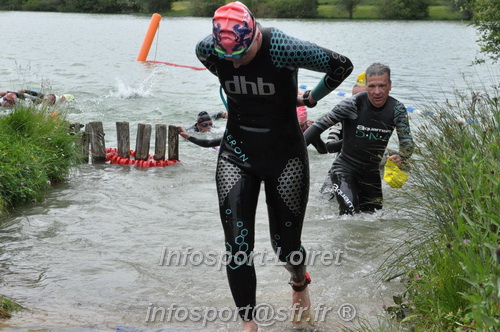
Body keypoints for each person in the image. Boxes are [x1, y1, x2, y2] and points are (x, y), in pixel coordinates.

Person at [195, 2, 353, 330]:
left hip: (285, 157)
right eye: (230, 58)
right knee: (237, 245)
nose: (235, 62)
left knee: (286, 248)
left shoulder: (282, 47)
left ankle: (299, 283)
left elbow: (341, 66)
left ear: (254, 36)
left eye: (242, 54)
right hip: (236, 154)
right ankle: (248, 325)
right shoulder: (209, 50)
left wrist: (312, 98)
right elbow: (221, 67)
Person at [304, 63, 414, 215]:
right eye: (372, 86)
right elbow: (318, 127)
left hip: (371, 174)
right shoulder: (352, 104)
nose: (377, 92)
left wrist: (401, 156)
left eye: (382, 86)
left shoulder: (397, 109)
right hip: (344, 169)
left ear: (390, 85)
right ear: (366, 86)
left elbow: (408, 145)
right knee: (349, 214)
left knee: (373, 219)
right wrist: (289, 155)